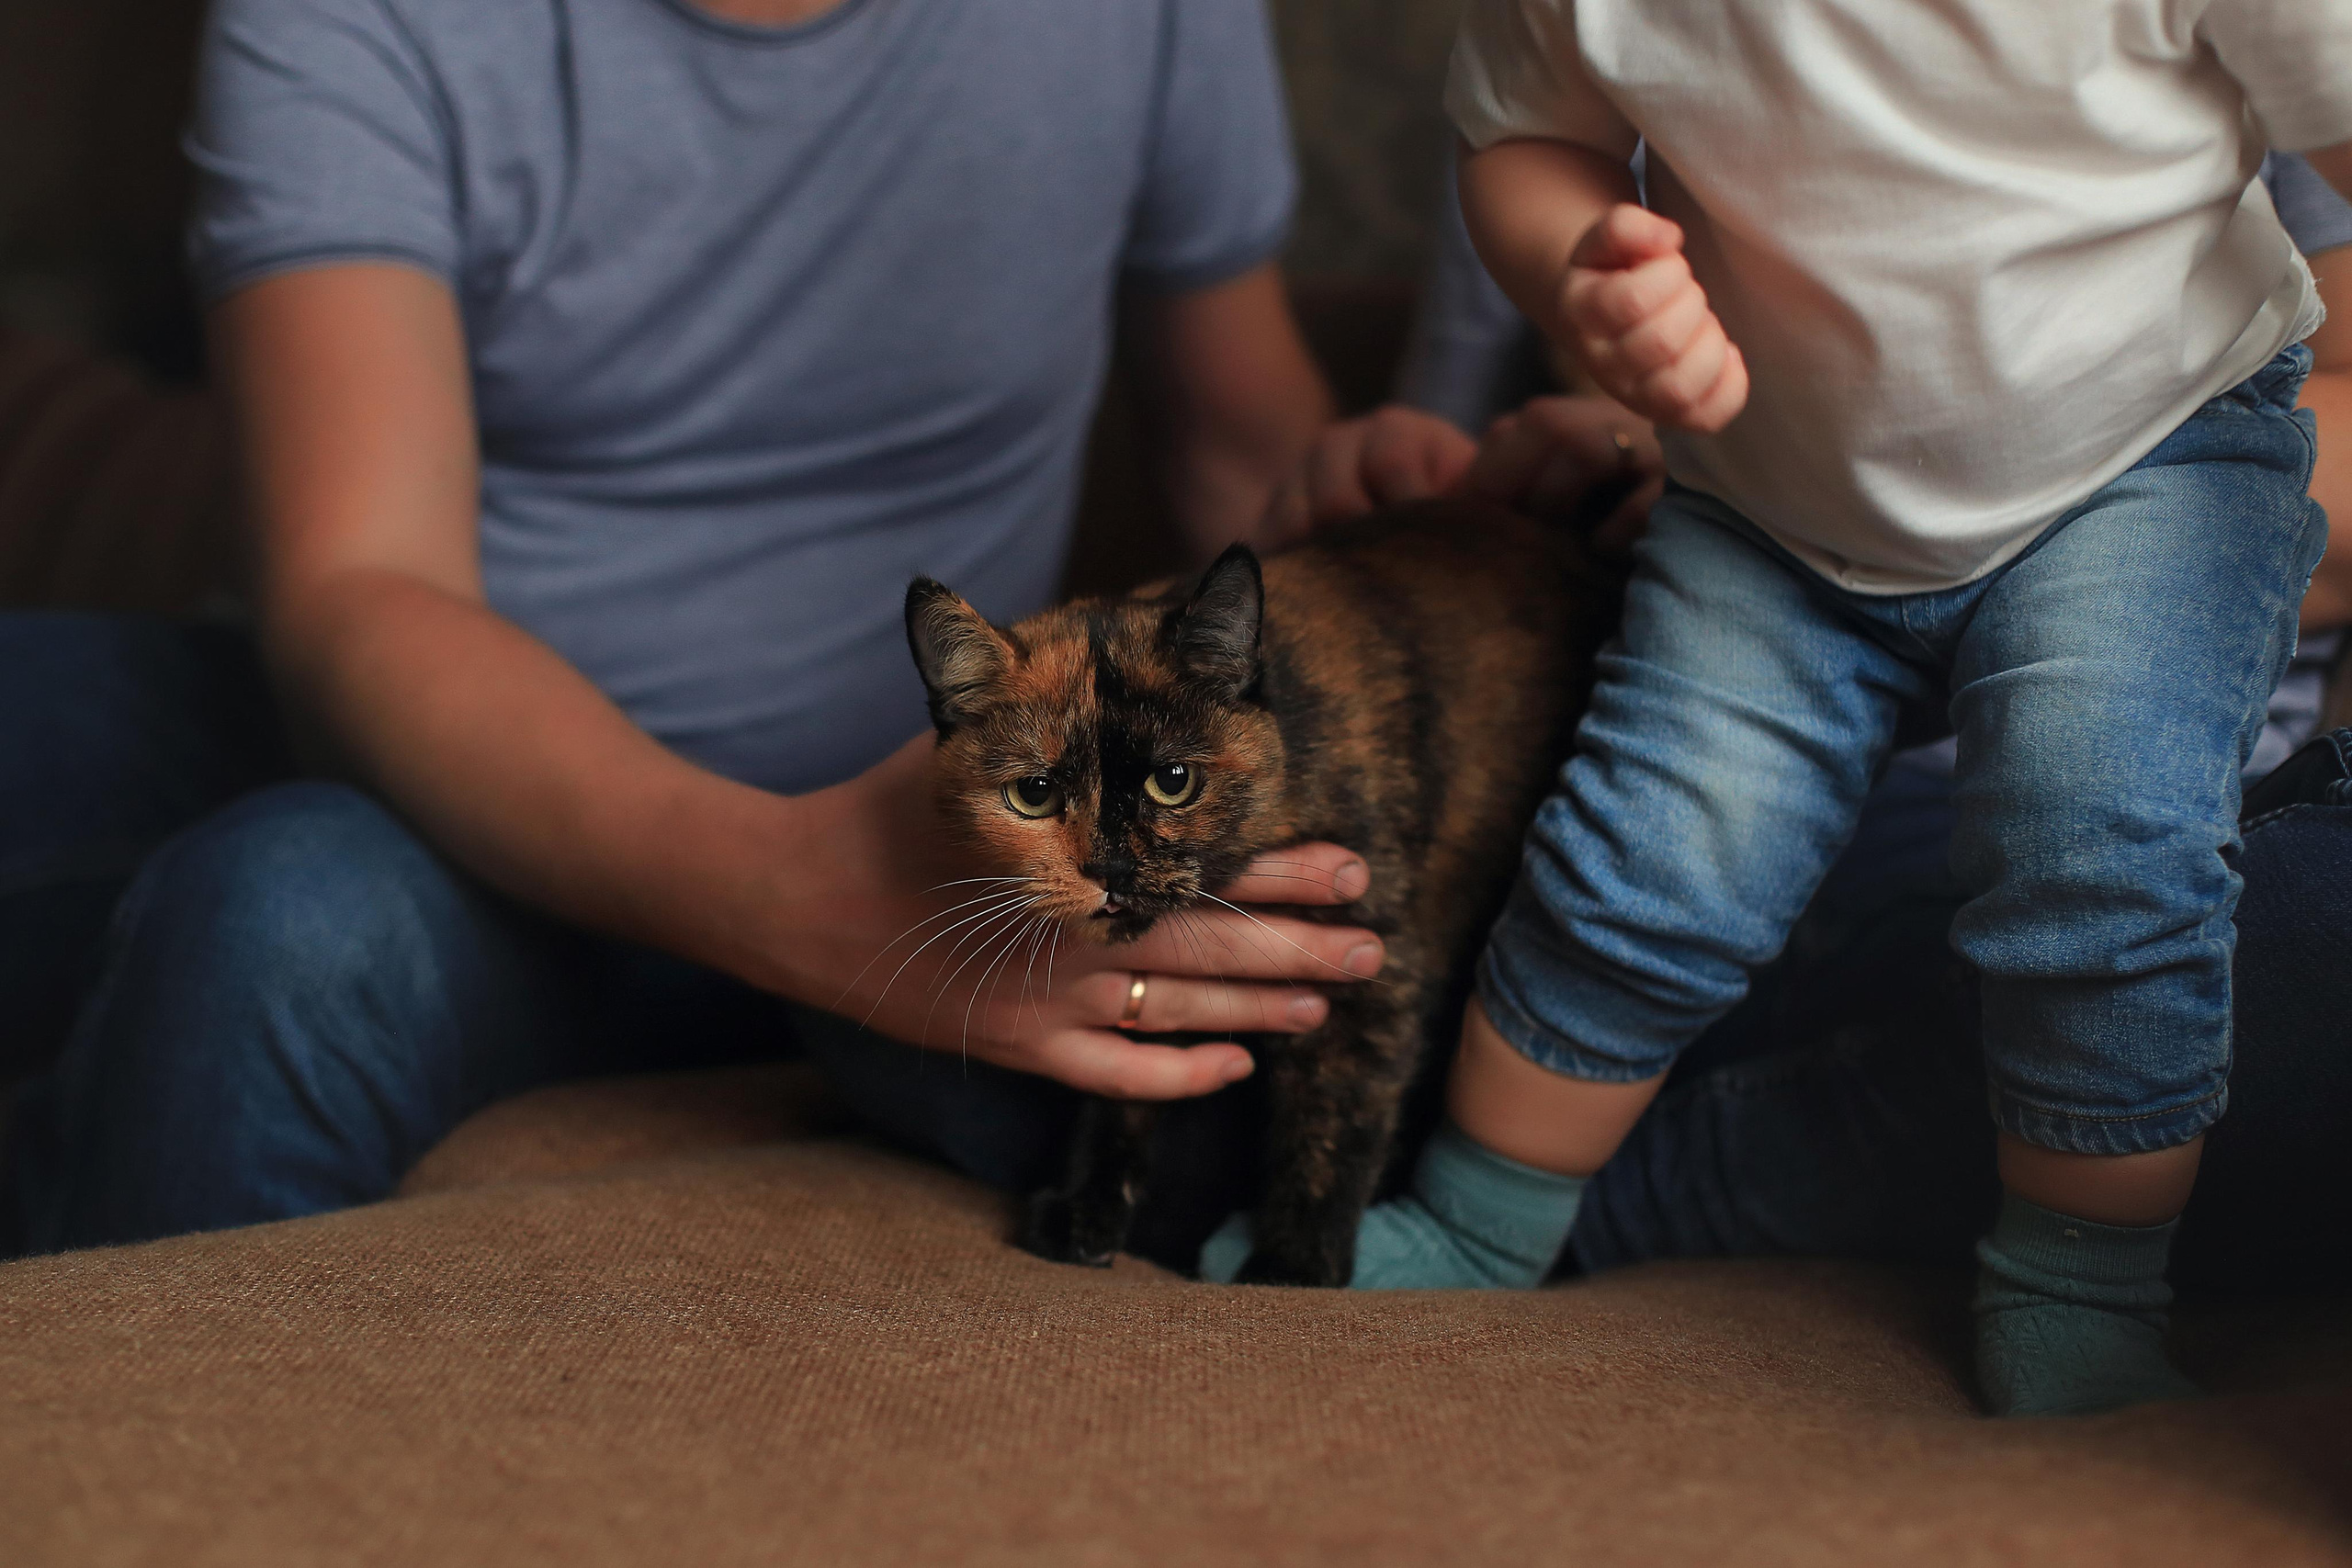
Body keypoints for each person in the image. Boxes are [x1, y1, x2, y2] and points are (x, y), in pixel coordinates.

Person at [0, 0, 1495, 1257]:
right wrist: (779, 887)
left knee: (275, 925)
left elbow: (1239, 457)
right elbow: (359, 587)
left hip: (937, 833)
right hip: (490, 793)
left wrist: (1450, 529)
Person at [1201, 4, 2352, 1417]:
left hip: (2148, 453)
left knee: (2094, 837)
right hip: (1770, 502)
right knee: (1643, 856)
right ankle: (1482, 1218)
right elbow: (1526, 137)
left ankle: (2079, 1284)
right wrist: (1581, 272)